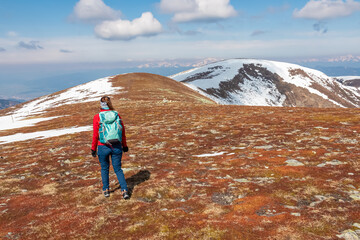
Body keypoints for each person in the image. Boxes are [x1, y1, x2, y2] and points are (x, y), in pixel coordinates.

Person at [91, 96, 130, 199]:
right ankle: (125, 190)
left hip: (103, 146)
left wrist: (93, 149)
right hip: (116, 146)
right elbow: (122, 131)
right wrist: (124, 145)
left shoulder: (97, 117)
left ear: (101, 105)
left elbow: (95, 135)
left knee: (104, 168)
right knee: (118, 169)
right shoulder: (116, 115)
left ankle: (106, 190)